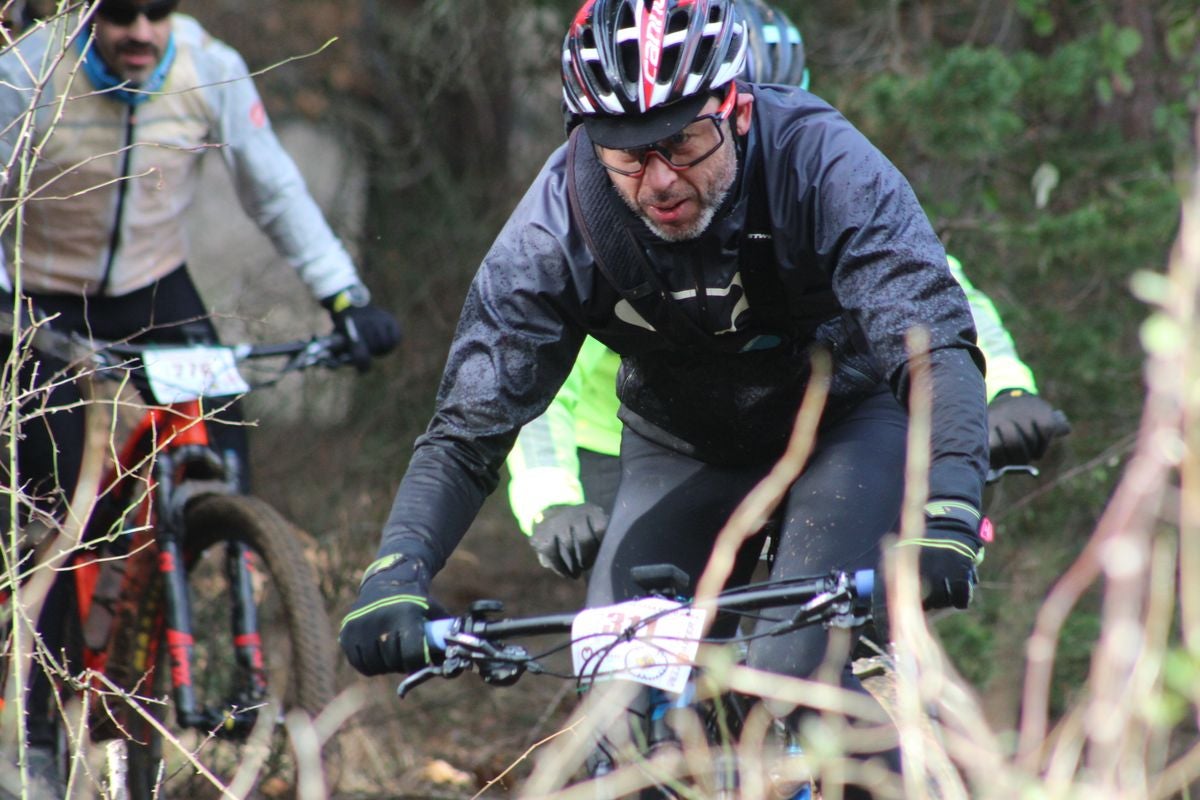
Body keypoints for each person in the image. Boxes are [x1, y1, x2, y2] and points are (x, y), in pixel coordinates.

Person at [341, 0, 988, 792]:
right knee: (617, 699)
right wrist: (396, 571)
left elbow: (932, 347)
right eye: (626, 154)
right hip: (684, 443)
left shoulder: (820, 162)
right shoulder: (560, 226)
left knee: (795, 665)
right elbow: (468, 430)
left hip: (845, 425)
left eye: (681, 141)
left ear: (737, 108)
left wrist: (951, 510)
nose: (659, 180)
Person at [505, 0, 1060, 580]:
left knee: (838, 605)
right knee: (640, 634)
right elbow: (540, 378)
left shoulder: (813, 175)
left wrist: (1008, 391)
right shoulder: (617, 226)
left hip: (810, 422)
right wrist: (552, 499)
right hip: (624, 442)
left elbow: (934, 295)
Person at [0, 0, 399, 776]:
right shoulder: (26, 71)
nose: (141, 33)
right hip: (44, 300)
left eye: (157, 12)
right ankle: (43, 728)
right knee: (58, 503)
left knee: (222, 443)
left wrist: (344, 296)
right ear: (88, 17)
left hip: (154, 292)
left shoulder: (207, 65)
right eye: (121, 16)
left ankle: (191, 578)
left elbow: (274, 187)